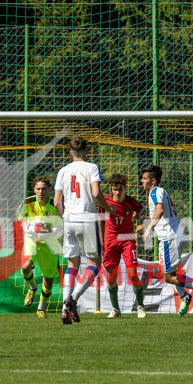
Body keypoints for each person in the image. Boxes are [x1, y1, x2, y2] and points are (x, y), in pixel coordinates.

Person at [53, 136, 115, 324]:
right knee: (94, 264)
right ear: (87, 151)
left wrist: (65, 217)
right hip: (87, 219)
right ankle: (73, 298)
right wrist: (108, 207)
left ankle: (65, 309)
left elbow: (56, 201)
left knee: (72, 265)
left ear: (70, 152)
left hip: (69, 220)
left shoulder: (63, 171)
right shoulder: (91, 167)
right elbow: (96, 193)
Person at [140, 165, 193, 316]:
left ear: (153, 181)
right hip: (173, 235)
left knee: (167, 276)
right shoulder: (159, 191)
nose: (142, 181)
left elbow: (159, 210)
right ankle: (185, 296)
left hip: (169, 238)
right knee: (171, 274)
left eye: (145, 178)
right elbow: (159, 212)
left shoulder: (155, 191)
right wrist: (144, 224)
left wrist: (148, 230)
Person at [101, 173, 146, 319]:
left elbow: (138, 211)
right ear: (111, 189)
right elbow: (100, 221)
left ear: (125, 189)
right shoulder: (105, 201)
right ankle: (115, 309)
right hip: (110, 241)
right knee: (110, 276)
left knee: (133, 274)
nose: (117, 192)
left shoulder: (131, 202)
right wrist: (102, 241)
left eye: (120, 189)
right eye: (114, 189)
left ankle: (140, 306)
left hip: (127, 240)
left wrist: (135, 217)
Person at [17, 175, 61, 319]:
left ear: (49, 189)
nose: (41, 191)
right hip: (32, 240)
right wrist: (28, 228)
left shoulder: (56, 204)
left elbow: (61, 226)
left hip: (50, 243)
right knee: (25, 267)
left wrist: (49, 232)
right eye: (38, 189)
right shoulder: (27, 202)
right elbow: (20, 220)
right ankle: (32, 287)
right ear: (34, 189)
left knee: (48, 280)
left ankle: (41, 308)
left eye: (43, 189)